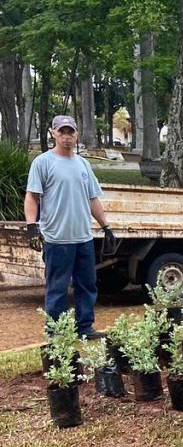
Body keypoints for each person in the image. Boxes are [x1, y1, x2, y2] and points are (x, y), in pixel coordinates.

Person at [24, 115, 117, 339]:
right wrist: (32, 227)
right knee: (57, 288)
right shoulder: (43, 162)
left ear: (77, 135)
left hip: (83, 238)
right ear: (53, 133)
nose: (66, 136)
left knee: (87, 285)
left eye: (70, 132)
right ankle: (56, 332)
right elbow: (32, 197)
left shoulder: (83, 165)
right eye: (62, 132)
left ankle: (84, 327)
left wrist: (106, 227)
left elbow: (92, 198)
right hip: (57, 239)